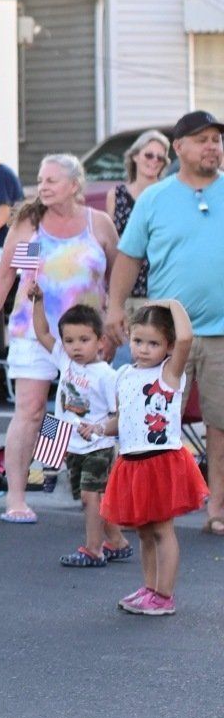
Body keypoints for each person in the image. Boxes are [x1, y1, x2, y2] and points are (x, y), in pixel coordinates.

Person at [102, 108, 224, 535]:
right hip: (165, 337)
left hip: (222, 332)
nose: (213, 147)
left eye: (217, 140)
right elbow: (129, 256)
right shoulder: (155, 198)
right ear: (180, 147)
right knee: (147, 421)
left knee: (220, 425)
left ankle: (217, 509)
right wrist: (115, 308)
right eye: (203, 140)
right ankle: (148, 508)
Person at [0, 154, 112, 522]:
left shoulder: (97, 224)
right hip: (34, 331)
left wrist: (116, 318)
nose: (43, 186)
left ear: (74, 185)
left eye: (51, 180)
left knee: (83, 411)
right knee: (31, 409)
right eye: (40, 180)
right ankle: (16, 497)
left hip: (85, 338)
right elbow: (9, 274)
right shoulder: (31, 226)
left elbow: (117, 274)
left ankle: (83, 485)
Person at [101, 297, 203, 616]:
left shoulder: (169, 373)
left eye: (153, 343)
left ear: (168, 346)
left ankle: (164, 595)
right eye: (138, 341)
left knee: (162, 529)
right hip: (132, 462)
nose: (144, 349)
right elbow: (122, 418)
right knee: (144, 531)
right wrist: (99, 428)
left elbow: (186, 338)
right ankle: (149, 588)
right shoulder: (124, 375)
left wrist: (171, 303)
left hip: (160, 461)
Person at [25, 293, 125, 566]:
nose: (76, 347)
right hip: (70, 442)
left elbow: (119, 413)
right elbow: (42, 332)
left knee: (90, 497)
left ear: (100, 341)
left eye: (84, 340)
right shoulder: (65, 361)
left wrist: (99, 429)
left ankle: (93, 550)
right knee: (89, 498)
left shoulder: (106, 375)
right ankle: (117, 541)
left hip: (98, 445)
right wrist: (38, 302)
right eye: (69, 341)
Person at [111, 130, 170, 245]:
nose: (154, 160)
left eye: (160, 158)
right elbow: (111, 240)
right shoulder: (116, 194)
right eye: (149, 155)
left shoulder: (168, 194)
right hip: (125, 256)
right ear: (135, 156)